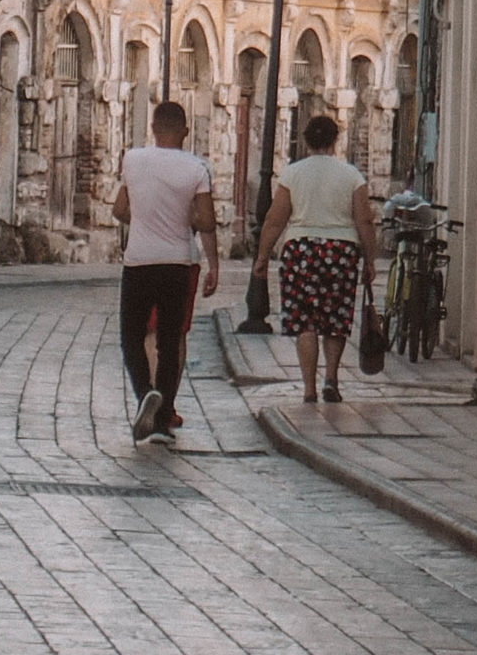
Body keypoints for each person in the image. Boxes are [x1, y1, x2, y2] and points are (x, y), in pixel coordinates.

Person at [112, 100, 220, 442]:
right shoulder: (196, 168)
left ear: (154, 129)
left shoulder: (132, 159)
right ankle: (161, 421)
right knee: (170, 341)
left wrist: (145, 217)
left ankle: (145, 391)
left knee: (132, 335)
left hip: (139, 260)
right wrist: (182, 216)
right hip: (177, 261)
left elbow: (120, 209)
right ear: (185, 130)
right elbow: (207, 220)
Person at [250, 116, 376, 404]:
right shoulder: (351, 176)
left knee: (305, 320)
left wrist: (262, 256)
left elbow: (274, 219)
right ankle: (331, 378)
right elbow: (365, 220)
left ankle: (308, 388)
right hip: (341, 250)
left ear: (306, 141)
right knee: (335, 317)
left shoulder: (292, 174)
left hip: (301, 250)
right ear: (336, 141)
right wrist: (369, 259)